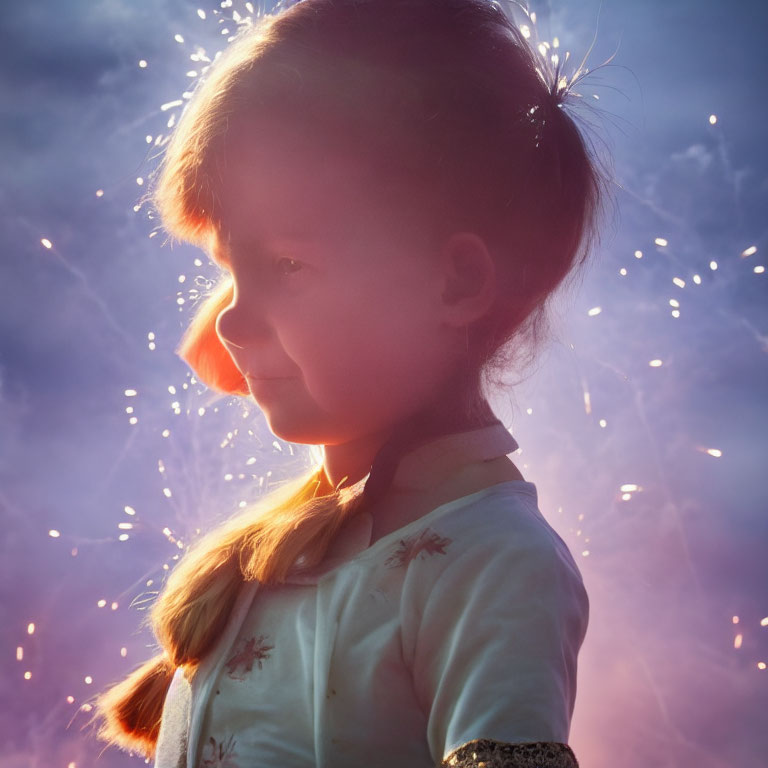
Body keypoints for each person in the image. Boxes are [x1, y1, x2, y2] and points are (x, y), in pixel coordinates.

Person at [92, 0, 609, 765]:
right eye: (230, 273)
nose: (231, 324)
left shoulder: (493, 562)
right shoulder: (284, 552)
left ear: (456, 281)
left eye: (289, 265)